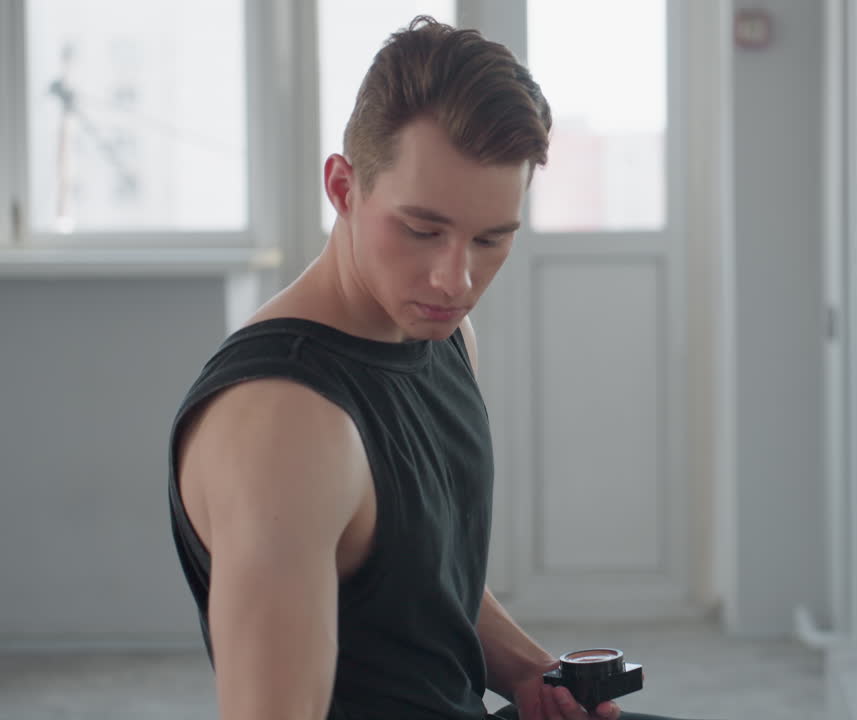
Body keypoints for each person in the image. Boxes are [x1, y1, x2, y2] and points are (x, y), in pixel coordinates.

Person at [168, 16, 702, 720]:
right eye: (422, 231)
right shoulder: (285, 423)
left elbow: (421, 582)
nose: (456, 279)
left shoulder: (445, 337)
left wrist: (532, 676)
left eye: (490, 239)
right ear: (342, 187)